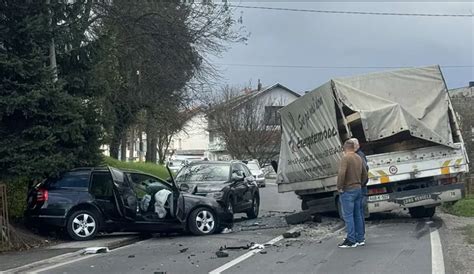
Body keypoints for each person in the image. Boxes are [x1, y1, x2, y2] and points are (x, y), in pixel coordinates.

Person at [337, 139, 368, 248]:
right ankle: (360, 238)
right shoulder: (358, 158)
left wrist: (340, 187)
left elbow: (341, 173)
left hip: (348, 190)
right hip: (358, 189)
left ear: (344, 148)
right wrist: (361, 184)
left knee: (348, 216)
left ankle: (351, 240)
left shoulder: (345, 158)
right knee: (358, 214)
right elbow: (365, 173)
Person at [350, 138, 369, 246]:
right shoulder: (359, 155)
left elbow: (364, 171)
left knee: (358, 213)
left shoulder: (358, 156)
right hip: (360, 187)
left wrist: (360, 184)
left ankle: (359, 237)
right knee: (359, 213)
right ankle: (360, 236)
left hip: (359, 188)